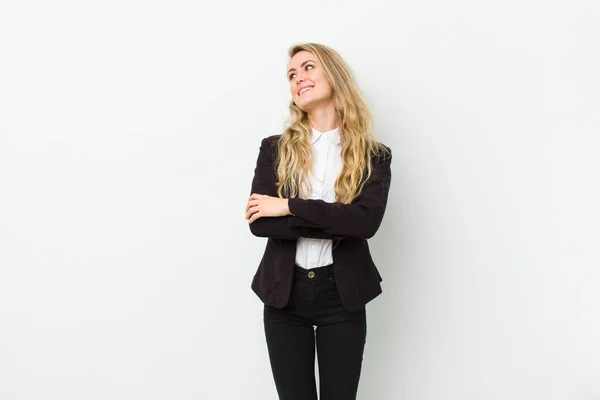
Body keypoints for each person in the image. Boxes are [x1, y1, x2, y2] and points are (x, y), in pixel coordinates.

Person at [245, 42, 393, 400]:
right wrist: (335, 218)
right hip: (284, 295)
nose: (299, 79)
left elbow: (364, 224)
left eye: (308, 67)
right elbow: (260, 223)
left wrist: (290, 206)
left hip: (340, 295)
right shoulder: (274, 148)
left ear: (334, 75)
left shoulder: (374, 155)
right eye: (292, 75)